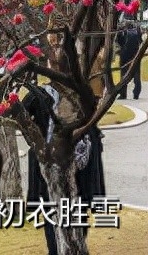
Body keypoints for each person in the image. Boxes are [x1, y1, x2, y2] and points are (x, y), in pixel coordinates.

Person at [23, 85, 106, 255]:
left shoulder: (82, 92)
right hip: (50, 165)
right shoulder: (39, 95)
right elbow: (21, 117)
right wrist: (36, 142)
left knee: (79, 212)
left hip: (81, 164)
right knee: (51, 212)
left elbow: (93, 114)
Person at [116, 20, 143, 100]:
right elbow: (140, 41)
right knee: (137, 76)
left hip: (125, 56)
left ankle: (123, 94)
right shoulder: (137, 32)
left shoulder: (123, 32)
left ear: (126, 26)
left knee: (123, 75)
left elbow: (119, 42)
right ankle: (136, 94)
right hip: (135, 56)